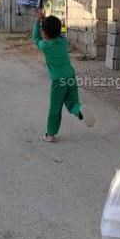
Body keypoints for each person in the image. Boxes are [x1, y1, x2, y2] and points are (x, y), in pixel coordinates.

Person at [32, 9, 94, 142]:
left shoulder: (46, 46)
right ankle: (80, 110)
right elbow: (53, 31)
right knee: (72, 103)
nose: (42, 31)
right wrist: (44, 22)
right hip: (70, 77)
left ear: (46, 33)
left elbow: (35, 38)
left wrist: (38, 21)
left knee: (55, 107)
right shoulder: (63, 41)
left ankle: (50, 134)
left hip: (58, 81)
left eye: (43, 30)